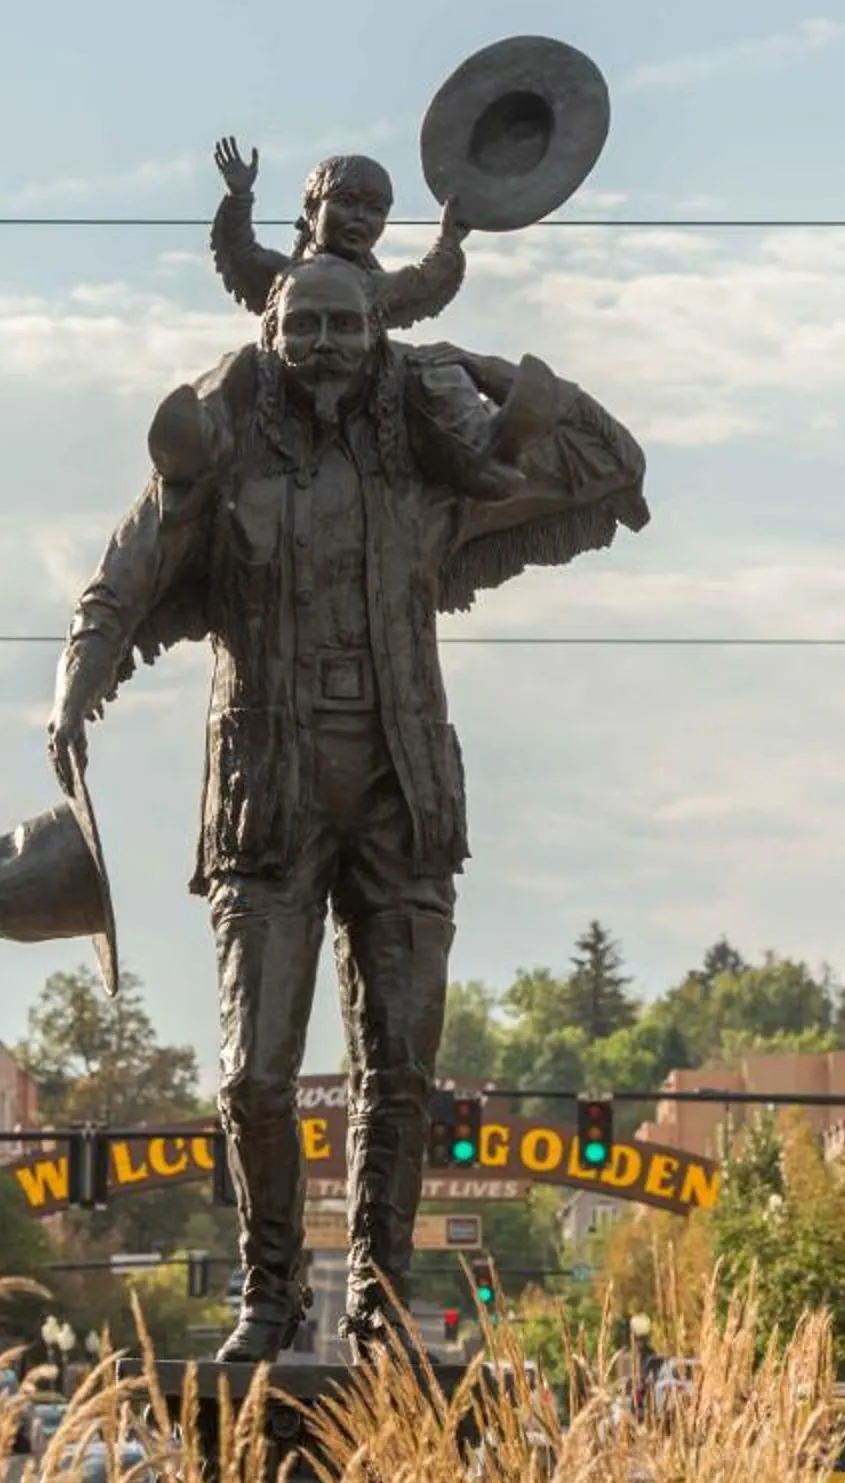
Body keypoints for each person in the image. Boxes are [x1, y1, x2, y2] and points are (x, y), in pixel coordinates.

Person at [48, 238, 646, 1363]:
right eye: (305, 325)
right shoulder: (222, 467)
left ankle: (380, 1299)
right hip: (266, 800)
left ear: (377, 341)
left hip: (401, 795)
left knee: (399, 1074)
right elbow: (123, 573)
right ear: (269, 341)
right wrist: (74, 691)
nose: (326, 345)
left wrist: (465, 362)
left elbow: (612, 461)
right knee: (254, 1074)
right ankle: (268, 1293)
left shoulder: (433, 474)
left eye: (348, 327)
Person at [209, 139, 472, 330]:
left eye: (375, 209)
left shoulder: (374, 288)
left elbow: (423, 282)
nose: (360, 216)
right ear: (312, 211)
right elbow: (242, 253)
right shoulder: (285, 278)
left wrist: (449, 239)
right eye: (345, 202)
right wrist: (239, 197)